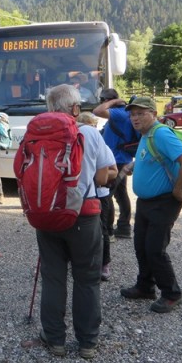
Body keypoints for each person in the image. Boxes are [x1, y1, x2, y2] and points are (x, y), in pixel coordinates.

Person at [35, 85, 114, 360]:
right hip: (84, 214)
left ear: (49, 108)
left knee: (53, 277)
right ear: (76, 109)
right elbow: (104, 176)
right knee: (87, 279)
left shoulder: (35, 135)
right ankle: (87, 343)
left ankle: (55, 339)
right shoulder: (90, 133)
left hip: (47, 216)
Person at [120, 97, 182, 313]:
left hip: (163, 202)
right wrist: (134, 165)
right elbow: (153, 157)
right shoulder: (147, 134)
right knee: (141, 246)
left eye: (140, 113)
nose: (135, 118)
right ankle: (145, 287)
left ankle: (172, 294)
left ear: (153, 113)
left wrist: (179, 190)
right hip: (146, 203)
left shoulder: (160, 132)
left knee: (155, 249)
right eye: (132, 114)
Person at [78, 111, 118, 281]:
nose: (92, 130)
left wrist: (94, 176)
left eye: (93, 126)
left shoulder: (103, 145)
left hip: (99, 194)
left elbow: (113, 172)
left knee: (101, 231)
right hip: (83, 193)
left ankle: (104, 264)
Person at [93, 88, 136, 239]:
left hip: (116, 160)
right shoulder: (122, 113)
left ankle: (109, 228)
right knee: (120, 193)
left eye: (102, 100)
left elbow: (97, 111)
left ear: (106, 100)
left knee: (108, 194)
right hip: (120, 158)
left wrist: (115, 101)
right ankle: (123, 226)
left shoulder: (119, 112)